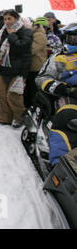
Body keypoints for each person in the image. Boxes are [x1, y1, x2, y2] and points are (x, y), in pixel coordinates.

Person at [35, 27, 77, 165]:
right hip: (67, 96)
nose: (74, 41)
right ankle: (61, 165)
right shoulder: (58, 57)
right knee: (68, 120)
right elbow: (42, 78)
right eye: (72, 38)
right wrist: (59, 88)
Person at [0, 9, 33, 128]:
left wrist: (12, 35)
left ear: (16, 18)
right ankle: (5, 118)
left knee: (14, 96)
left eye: (9, 18)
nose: (7, 21)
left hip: (17, 69)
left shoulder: (25, 31)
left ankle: (20, 118)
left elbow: (23, 48)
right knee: (2, 95)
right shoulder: (2, 31)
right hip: (3, 67)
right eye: (5, 19)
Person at [24, 17, 48, 109]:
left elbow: (31, 50)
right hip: (33, 66)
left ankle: (32, 108)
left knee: (32, 90)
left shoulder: (39, 35)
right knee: (29, 89)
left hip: (36, 67)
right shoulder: (36, 34)